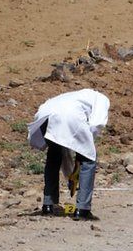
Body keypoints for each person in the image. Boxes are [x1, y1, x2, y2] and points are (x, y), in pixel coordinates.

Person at [27, 89, 110, 221]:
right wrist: (85, 148)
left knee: (54, 157)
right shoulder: (101, 99)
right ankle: (82, 209)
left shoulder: (73, 96)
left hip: (45, 116)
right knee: (88, 160)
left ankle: (48, 205)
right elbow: (97, 124)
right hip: (69, 117)